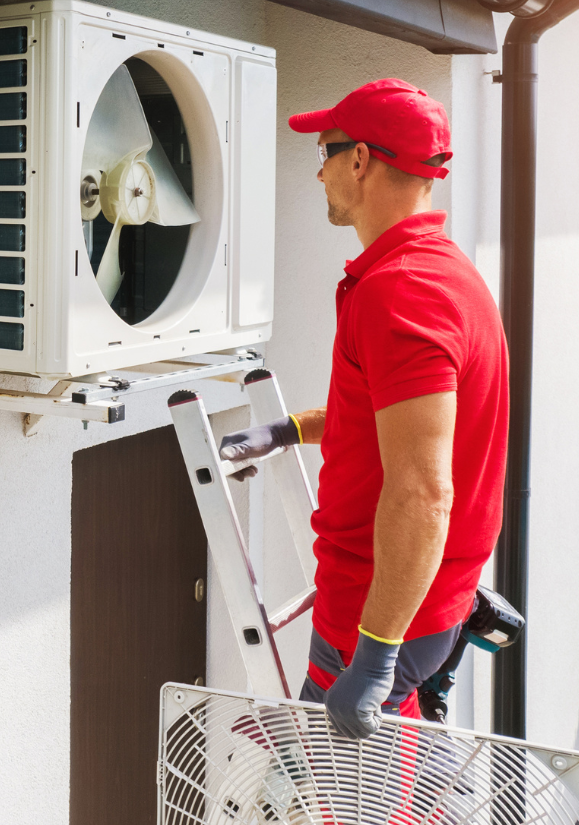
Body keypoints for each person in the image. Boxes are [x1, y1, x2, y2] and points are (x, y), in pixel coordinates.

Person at [217, 78, 508, 740]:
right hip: (410, 603)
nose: (318, 171)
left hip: (379, 612)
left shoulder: (403, 293)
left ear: (360, 160)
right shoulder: (436, 273)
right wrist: (286, 430)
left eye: (324, 152)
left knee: (347, 799)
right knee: (375, 780)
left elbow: (424, 492)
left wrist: (375, 656)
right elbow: (390, 421)